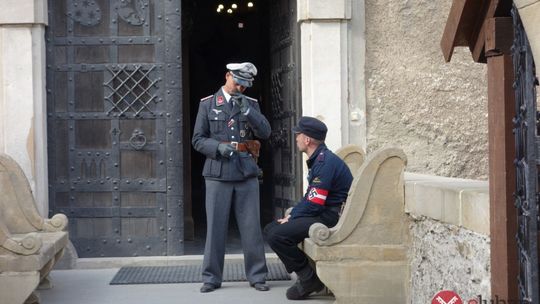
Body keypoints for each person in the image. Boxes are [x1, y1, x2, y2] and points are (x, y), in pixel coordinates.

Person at [192, 62, 271, 293]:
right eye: (237, 82)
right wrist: (217, 147)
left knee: (251, 228)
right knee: (215, 228)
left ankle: (257, 276)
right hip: (217, 173)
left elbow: (265, 132)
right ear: (227, 76)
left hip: (246, 172)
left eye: (245, 85)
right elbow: (197, 139)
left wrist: (247, 110)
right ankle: (211, 278)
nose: (240, 88)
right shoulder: (208, 104)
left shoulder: (252, 104)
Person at [263, 116, 353, 300]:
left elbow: (314, 203)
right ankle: (307, 275)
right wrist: (294, 214)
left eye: (298, 135)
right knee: (271, 229)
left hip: (331, 216)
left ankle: (308, 278)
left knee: (276, 234)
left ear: (307, 140)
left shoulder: (324, 163)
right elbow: (311, 197)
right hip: (324, 212)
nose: (295, 138)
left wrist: (293, 216)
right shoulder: (320, 159)